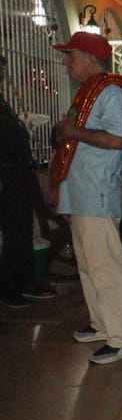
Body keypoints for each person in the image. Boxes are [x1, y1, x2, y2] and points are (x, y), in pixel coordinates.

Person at [51, 32, 122, 364]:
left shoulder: (110, 92)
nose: (66, 61)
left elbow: (115, 139)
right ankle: (101, 324)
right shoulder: (88, 91)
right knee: (89, 266)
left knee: (106, 268)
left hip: (96, 192)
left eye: (71, 55)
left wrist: (73, 132)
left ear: (90, 58)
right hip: (81, 192)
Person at [0, 54, 55, 308]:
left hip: (18, 175)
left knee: (23, 230)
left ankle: (24, 280)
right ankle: (11, 287)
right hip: (7, 176)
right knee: (13, 233)